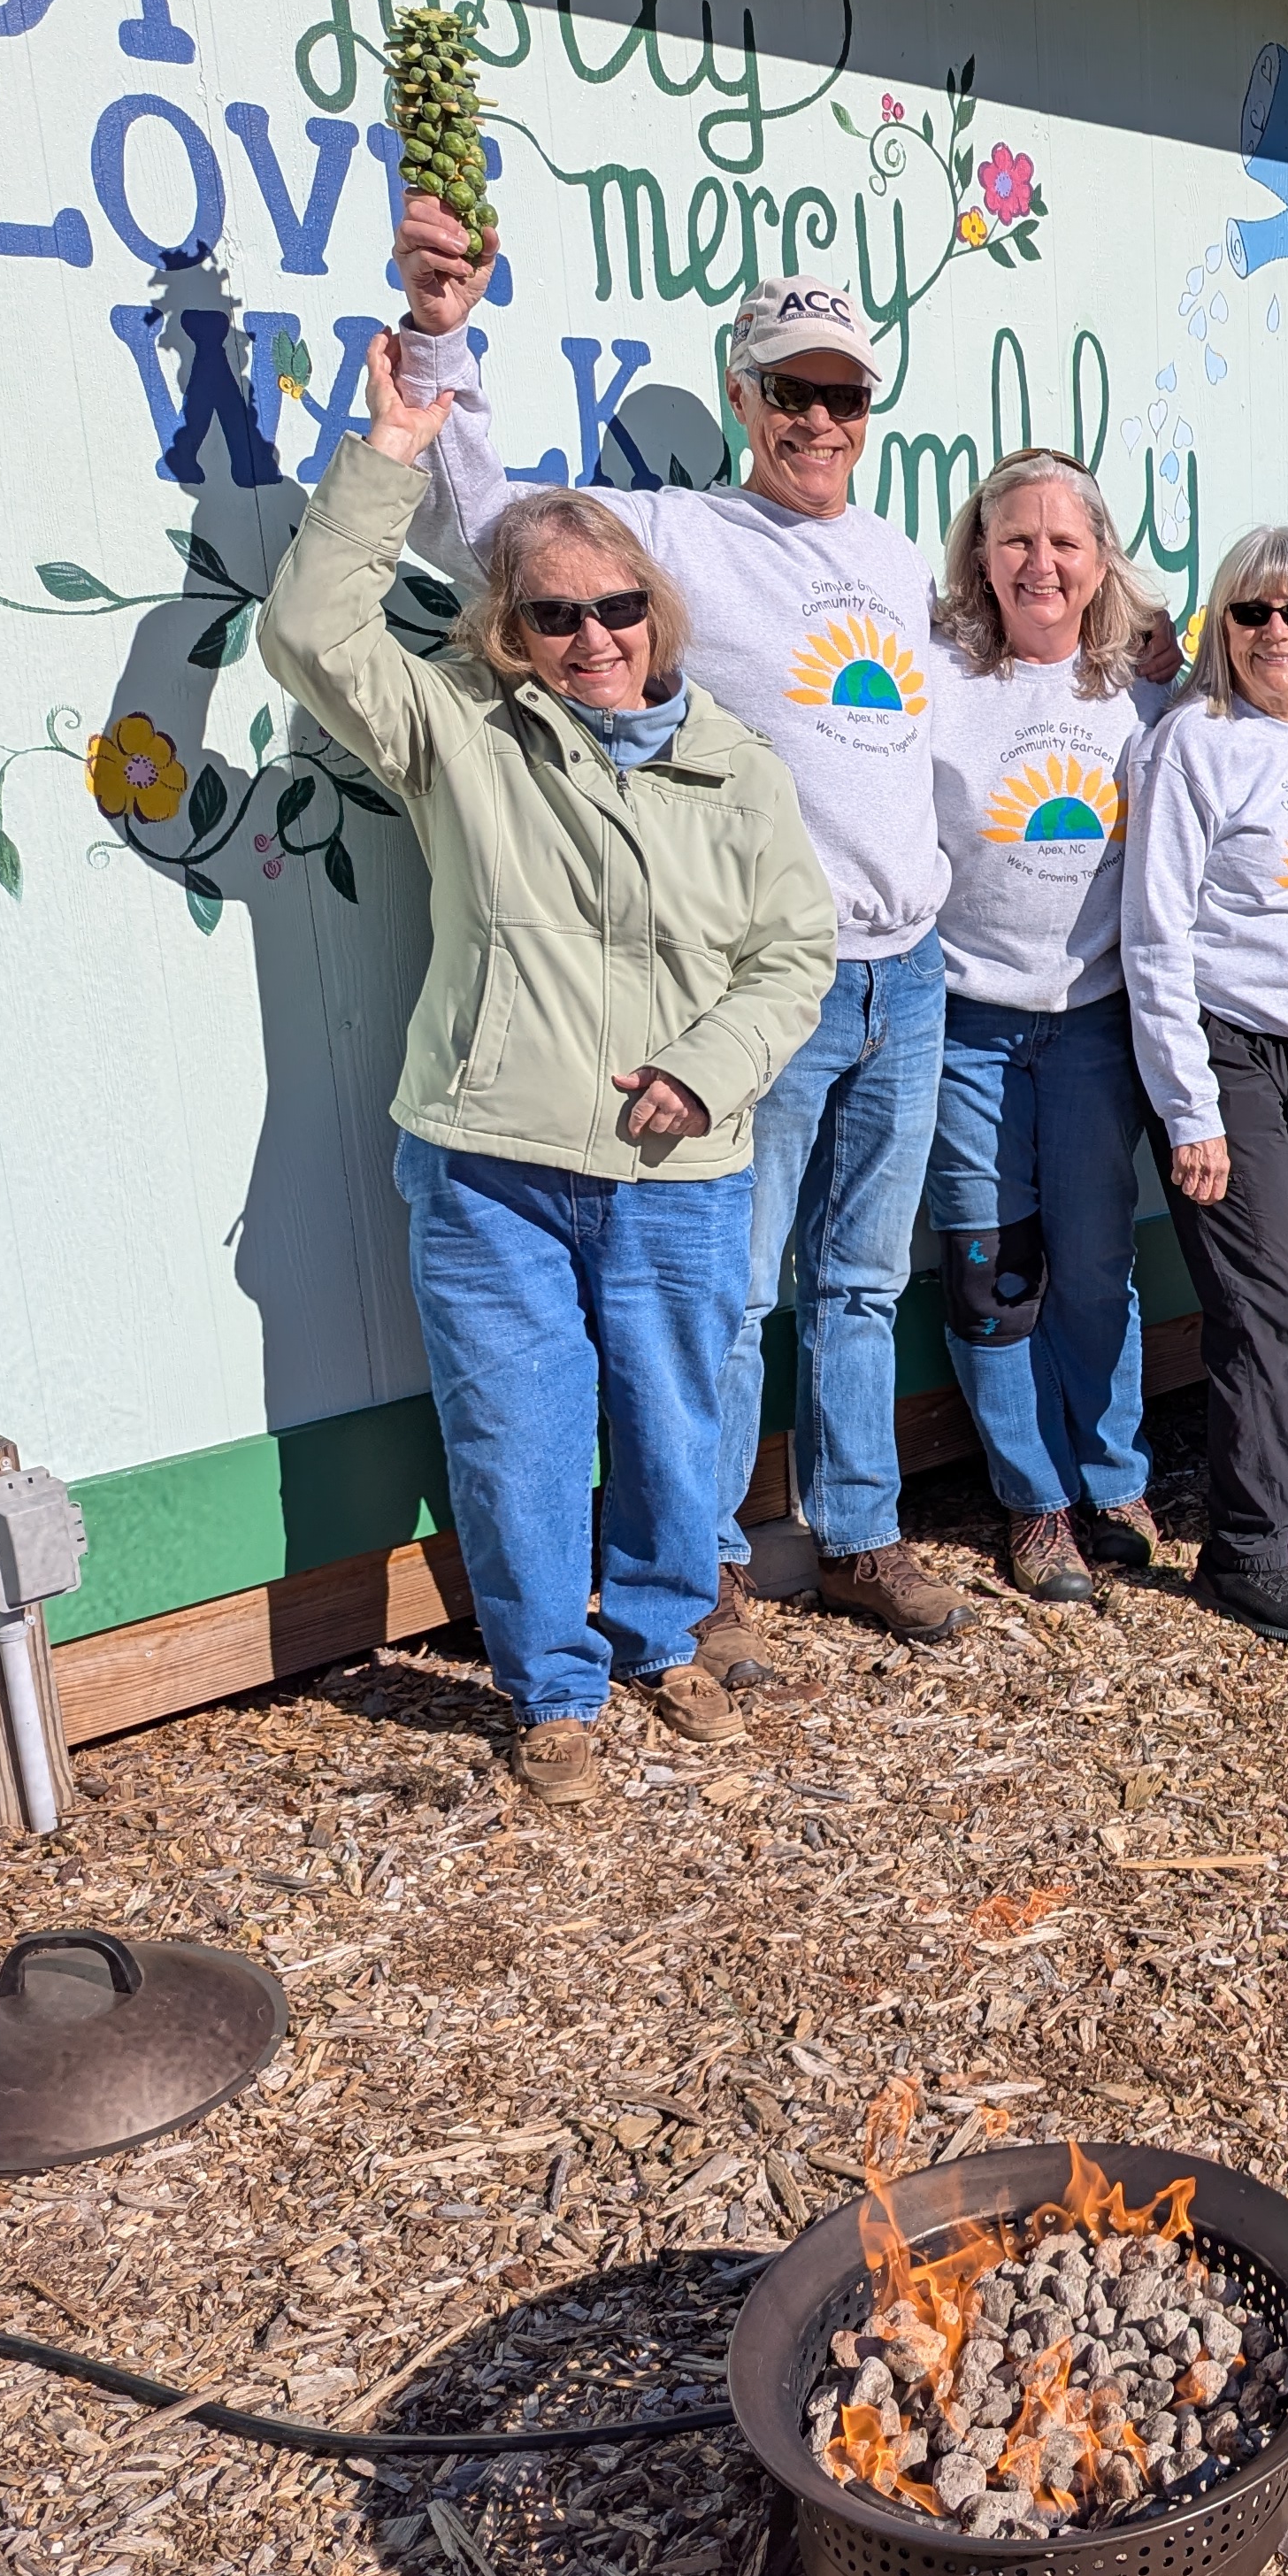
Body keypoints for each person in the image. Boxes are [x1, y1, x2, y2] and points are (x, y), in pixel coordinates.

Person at [392, 204, 978, 1683]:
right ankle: (706, 1568)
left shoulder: (902, 556)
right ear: (744, 399)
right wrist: (445, 333)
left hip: (906, 975)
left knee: (861, 1279)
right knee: (734, 1295)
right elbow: (493, 526)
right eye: (790, 391)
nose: (818, 419)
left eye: (843, 393)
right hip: (763, 994)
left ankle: (855, 1528)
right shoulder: (681, 536)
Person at [259, 335, 834, 1804]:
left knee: (672, 1426)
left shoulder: (737, 768)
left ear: (659, 608)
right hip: (492, 1160)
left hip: (673, 1169)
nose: (595, 638)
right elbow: (316, 631)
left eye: (619, 607)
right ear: (513, 632)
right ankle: (551, 1689)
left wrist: (706, 1074)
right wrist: (389, 447)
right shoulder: (459, 735)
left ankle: (658, 1640)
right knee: (517, 1437)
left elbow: (793, 955)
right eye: (556, 616)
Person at [925, 450, 1175, 1605]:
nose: (1040, 562)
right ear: (980, 554)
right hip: (968, 1023)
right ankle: (1034, 1504)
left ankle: (1113, 1479)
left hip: (1090, 1023)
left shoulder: (1143, 693)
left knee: (1094, 1265)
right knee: (991, 1271)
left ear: (1099, 562)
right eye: (1015, 539)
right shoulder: (936, 674)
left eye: (1064, 542)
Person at [1124, 527, 1288, 1643]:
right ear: (1222, 625)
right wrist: (1189, 1104)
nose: (1278, 632)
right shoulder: (1196, 741)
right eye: (1253, 612)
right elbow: (1156, 931)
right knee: (1266, 1303)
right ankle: (1247, 1547)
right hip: (1229, 1048)